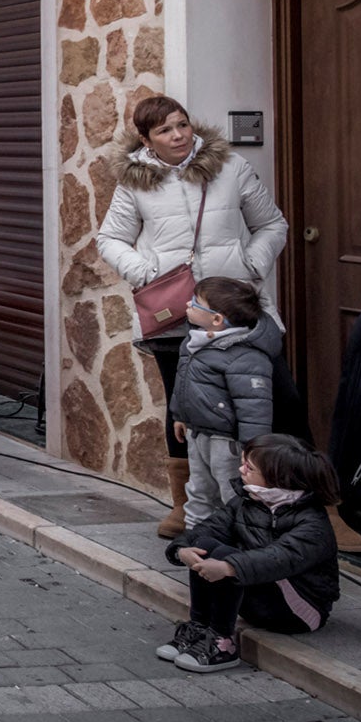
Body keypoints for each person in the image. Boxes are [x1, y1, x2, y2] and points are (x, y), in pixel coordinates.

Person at [96, 95, 291, 540]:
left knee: (280, 395)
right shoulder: (136, 184)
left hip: (239, 308)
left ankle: (313, 504)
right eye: (165, 130)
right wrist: (145, 272)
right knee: (183, 405)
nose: (178, 135)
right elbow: (110, 238)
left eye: (182, 125)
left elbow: (272, 225)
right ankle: (186, 505)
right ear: (146, 140)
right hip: (177, 313)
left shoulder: (231, 168)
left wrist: (250, 267)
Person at [163, 433, 340, 673]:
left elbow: (279, 558)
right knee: (205, 543)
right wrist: (181, 549)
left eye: (250, 466)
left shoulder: (312, 523)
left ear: (277, 477)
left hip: (300, 610)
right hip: (260, 592)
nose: (241, 469)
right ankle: (200, 628)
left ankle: (222, 644)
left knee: (225, 555)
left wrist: (229, 567)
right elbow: (210, 527)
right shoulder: (247, 501)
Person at [171, 277, 283, 528]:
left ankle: (238, 542)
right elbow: (183, 383)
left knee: (231, 491)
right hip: (198, 433)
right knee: (199, 489)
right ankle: (196, 539)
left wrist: (252, 448)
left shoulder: (246, 357)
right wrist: (179, 415)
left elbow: (255, 407)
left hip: (227, 442)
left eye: (195, 303)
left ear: (217, 319)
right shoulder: (194, 343)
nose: (188, 305)